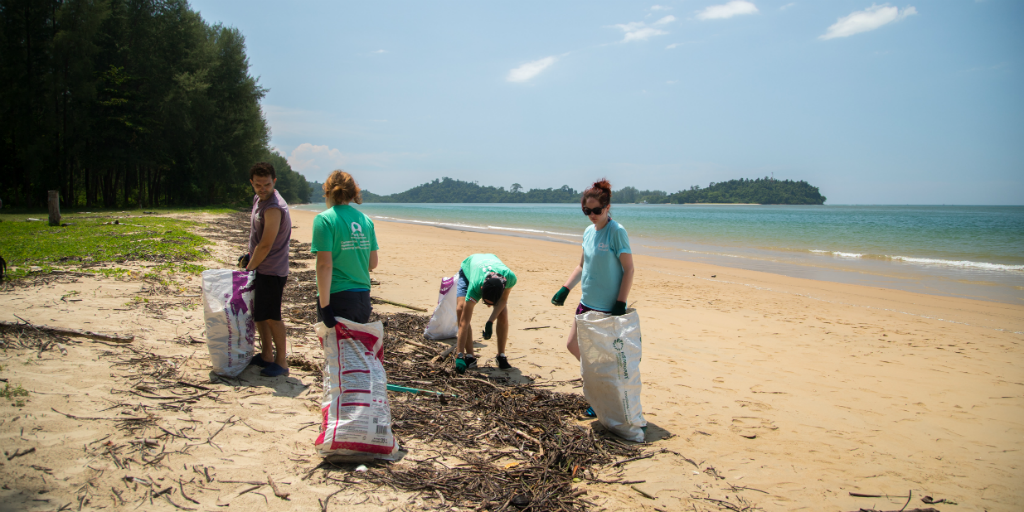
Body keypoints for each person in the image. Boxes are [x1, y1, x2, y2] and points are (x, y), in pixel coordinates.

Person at [552, 179, 634, 389]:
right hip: (586, 301)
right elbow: (581, 266)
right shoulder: (589, 232)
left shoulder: (616, 232)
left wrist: (620, 303)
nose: (592, 215)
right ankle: (600, 384)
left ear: (607, 207)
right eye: (586, 211)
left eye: (596, 210)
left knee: (601, 355)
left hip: (606, 308)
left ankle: (603, 392)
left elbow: (629, 269)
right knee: (573, 345)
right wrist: (565, 288)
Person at [241, 162, 292, 377]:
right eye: (258, 185)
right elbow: (256, 236)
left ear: (275, 182)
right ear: (252, 183)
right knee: (259, 315)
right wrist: (249, 257)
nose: (263, 189)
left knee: (272, 316)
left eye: (267, 184)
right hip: (259, 266)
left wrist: (249, 269)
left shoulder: (273, 207)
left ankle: (281, 362)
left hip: (272, 270)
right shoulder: (259, 199)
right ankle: (266, 355)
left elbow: (266, 244)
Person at [311, 170, 378, 329]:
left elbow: (324, 265)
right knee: (356, 351)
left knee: (335, 351)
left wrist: (325, 307)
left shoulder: (325, 219)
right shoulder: (365, 220)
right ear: (352, 194)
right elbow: (372, 263)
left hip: (337, 297)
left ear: (327, 192)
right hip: (363, 298)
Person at [455, 253, 517, 373]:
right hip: (469, 268)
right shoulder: (475, 286)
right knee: (461, 309)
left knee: (503, 313)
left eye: (491, 304)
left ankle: (501, 355)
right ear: (481, 291)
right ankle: (469, 357)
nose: (489, 306)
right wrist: (459, 355)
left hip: (491, 262)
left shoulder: (510, 278)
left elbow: (503, 300)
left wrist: (490, 321)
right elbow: (464, 322)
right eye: (485, 302)